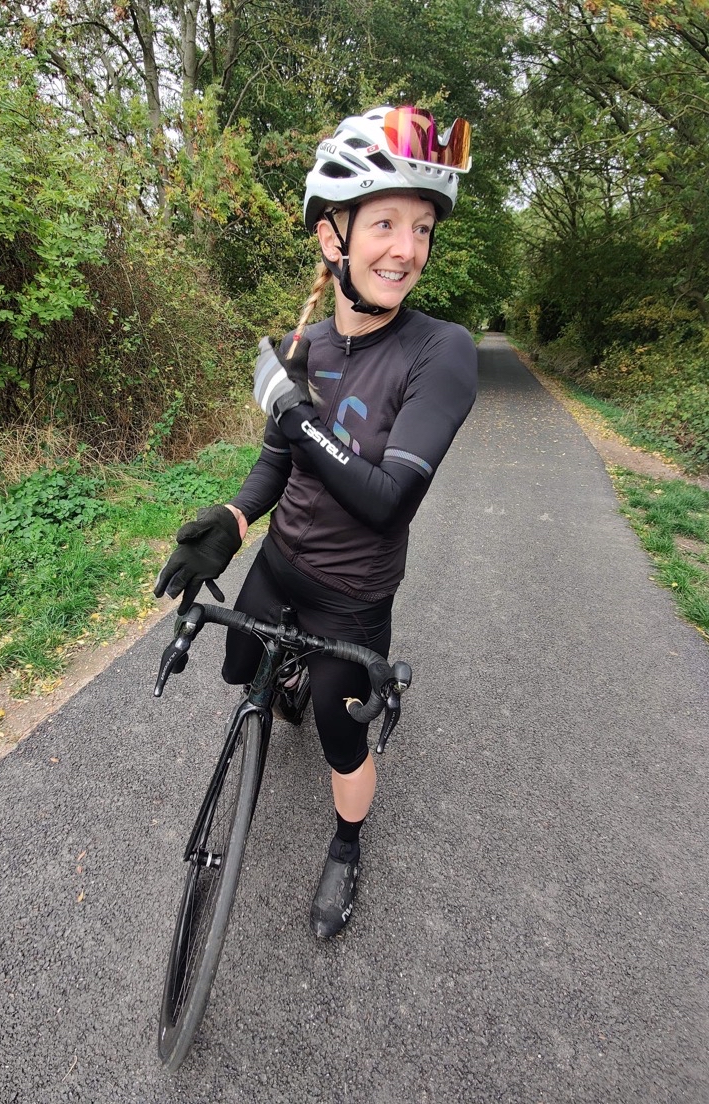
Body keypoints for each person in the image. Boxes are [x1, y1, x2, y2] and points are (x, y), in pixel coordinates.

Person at [155, 105, 478, 939]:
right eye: (383, 224)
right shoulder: (309, 347)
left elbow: (387, 499)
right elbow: (276, 464)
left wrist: (295, 413)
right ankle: (284, 681)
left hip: (353, 594)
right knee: (238, 673)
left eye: (420, 228)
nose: (406, 249)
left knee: (342, 733)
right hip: (281, 563)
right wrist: (229, 518)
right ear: (334, 237)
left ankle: (345, 846)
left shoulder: (440, 352)